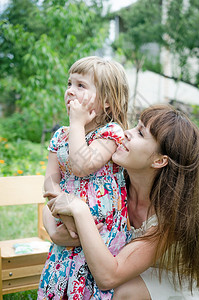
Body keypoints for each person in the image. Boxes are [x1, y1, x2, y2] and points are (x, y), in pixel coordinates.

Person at [48, 104, 199, 299]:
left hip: (173, 283)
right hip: (126, 268)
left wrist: (80, 209)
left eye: (141, 134)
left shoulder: (168, 217)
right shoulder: (115, 181)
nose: (127, 133)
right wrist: (54, 231)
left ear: (159, 161)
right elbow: (58, 197)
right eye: (136, 127)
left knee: (118, 291)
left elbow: (108, 278)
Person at [37, 56, 130, 299]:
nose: (70, 91)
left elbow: (81, 166)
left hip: (102, 237)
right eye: (69, 83)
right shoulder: (60, 136)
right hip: (68, 233)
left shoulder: (110, 134)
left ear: (107, 101)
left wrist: (77, 123)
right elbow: (50, 180)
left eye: (81, 86)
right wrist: (65, 217)